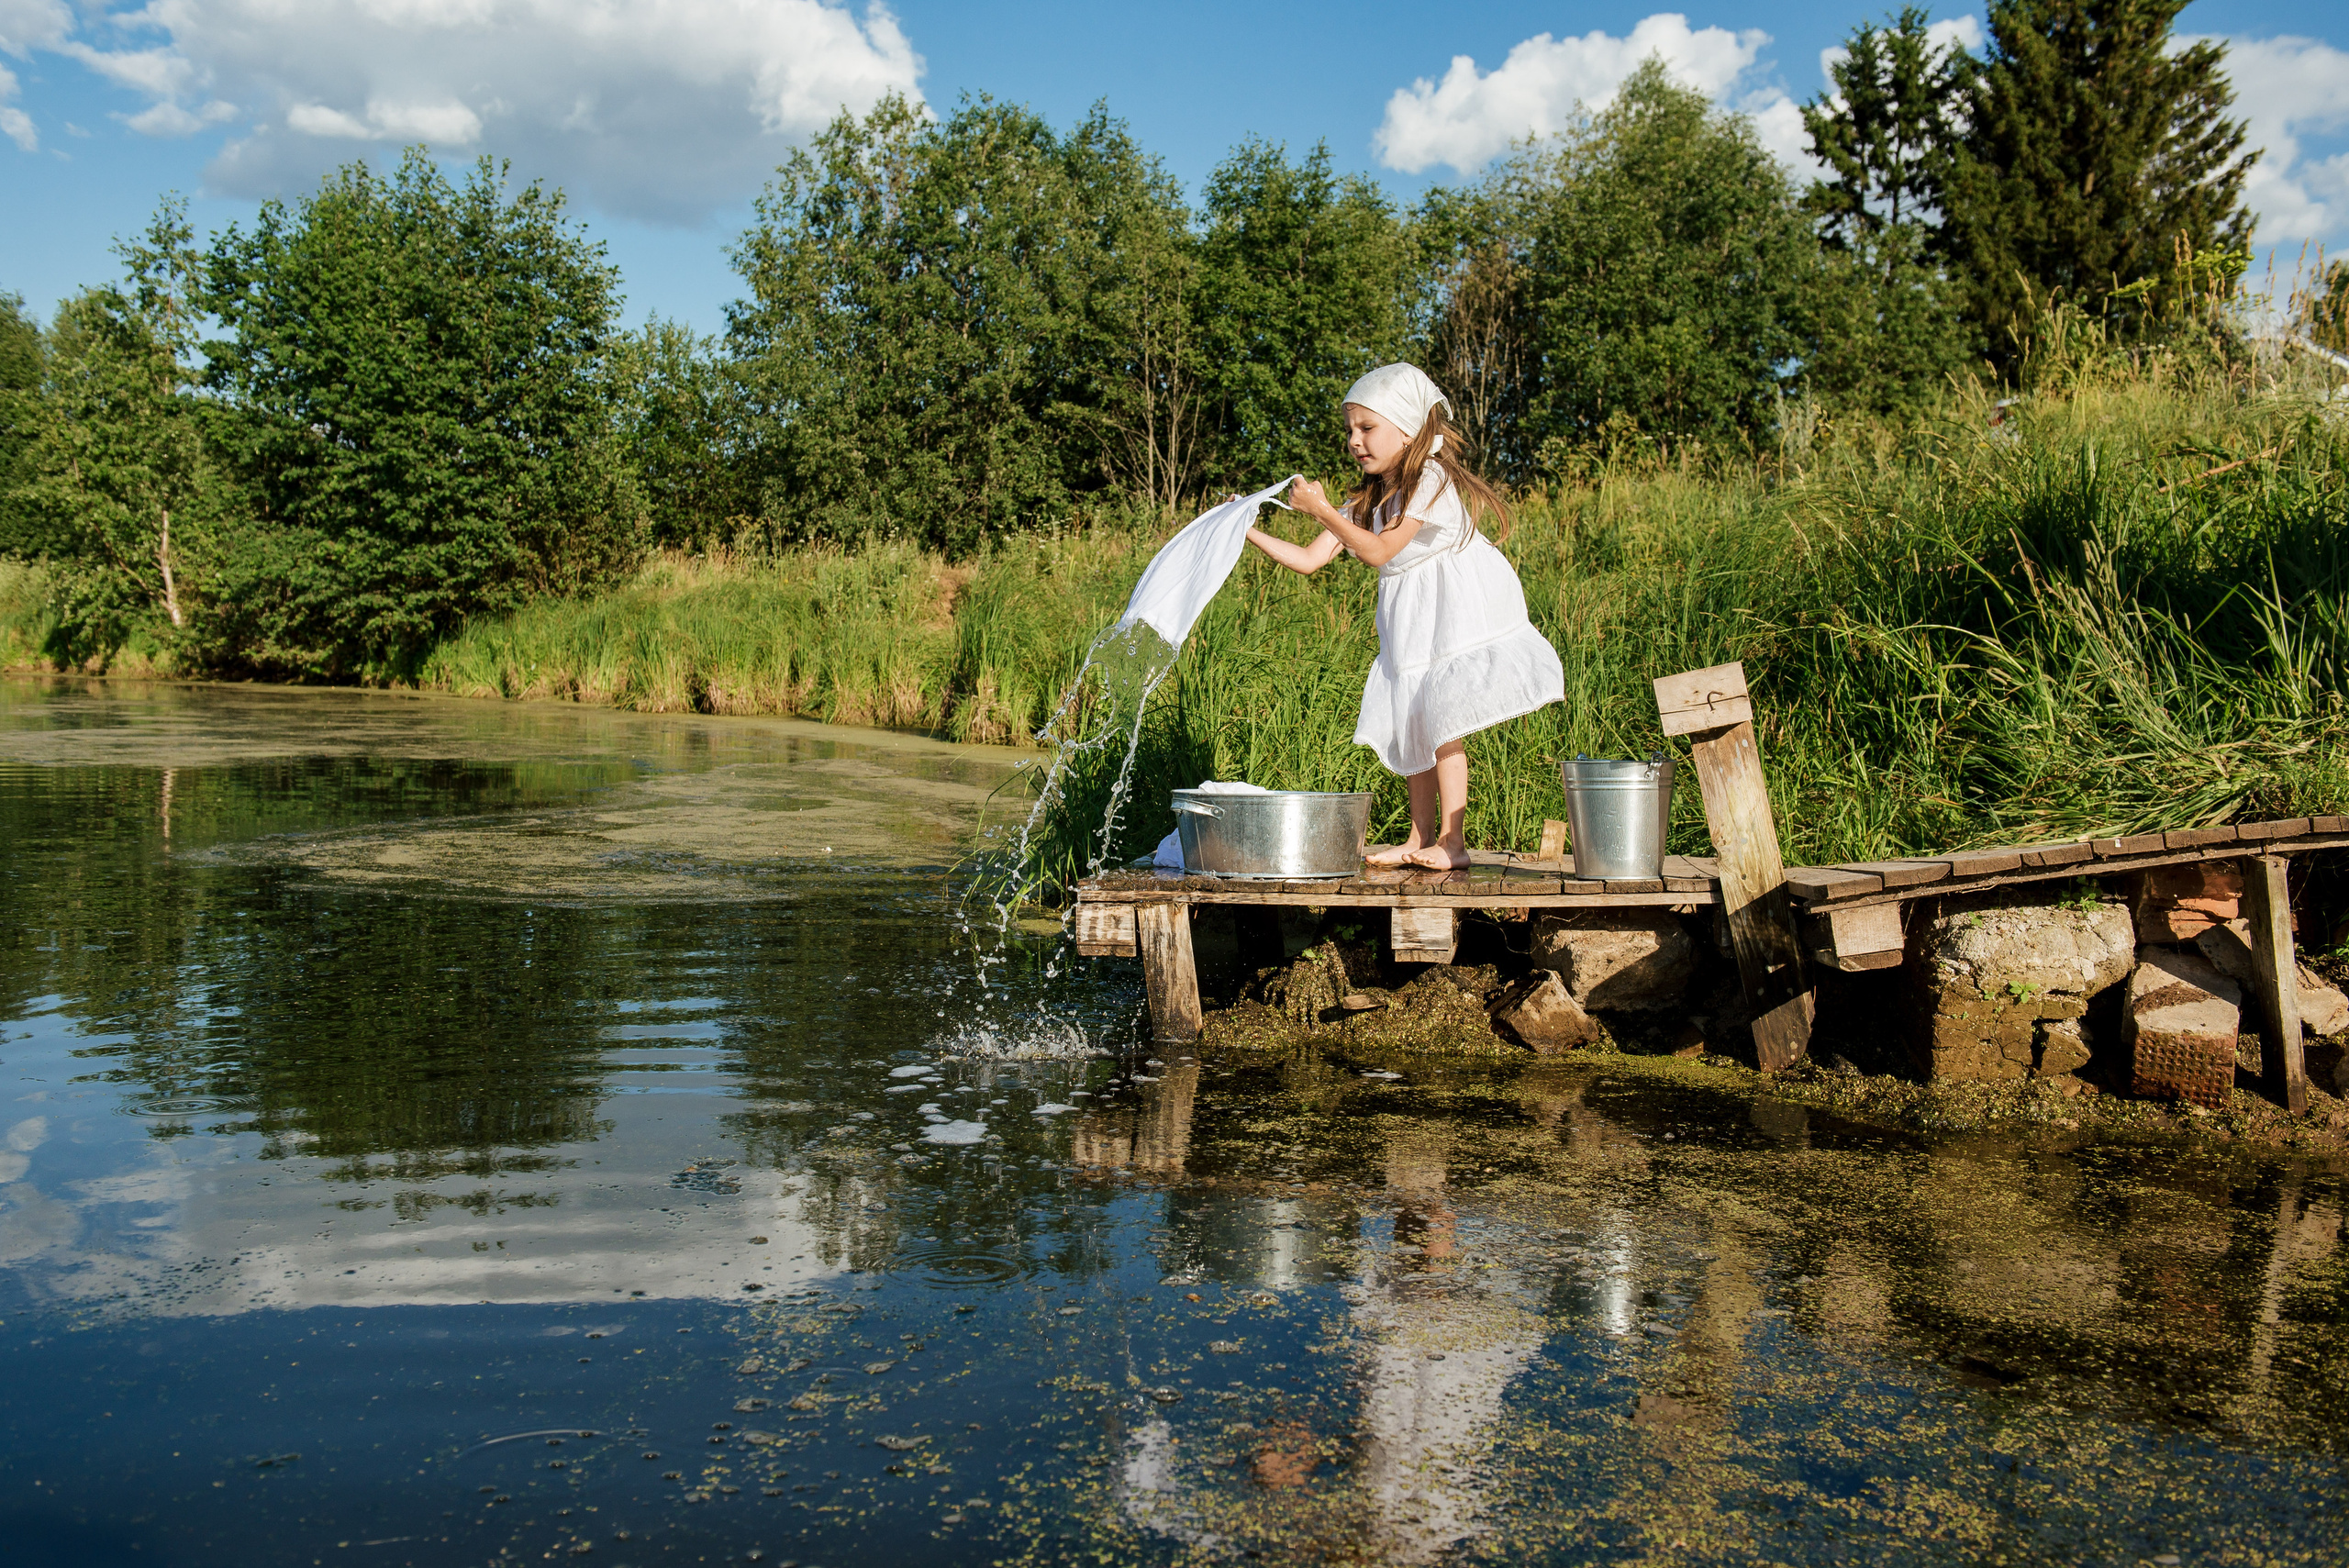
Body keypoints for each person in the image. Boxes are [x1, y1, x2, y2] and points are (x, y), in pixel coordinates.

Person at [1243, 363, 1564, 870]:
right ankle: (1420, 838)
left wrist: (1323, 510)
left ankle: (1453, 842)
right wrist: (1245, 530)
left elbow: (1377, 551)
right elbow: (1309, 559)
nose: (1355, 440)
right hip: (1408, 613)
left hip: (1454, 604)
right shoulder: (1368, 495)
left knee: (1441, 719)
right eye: (1350, 429)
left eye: (1367, 428)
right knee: (1412, 718)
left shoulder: (1428, 479)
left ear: (1408, 429)